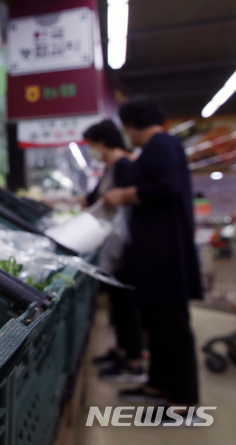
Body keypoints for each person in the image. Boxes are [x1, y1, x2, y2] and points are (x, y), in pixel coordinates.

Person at [103, 96, 202, 411]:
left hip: (166, 257)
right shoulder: (161, 146)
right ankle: (159, 386)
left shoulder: (161, 144)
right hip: (156, 257)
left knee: (172, 329)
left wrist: (125, 194)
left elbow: (167, 185)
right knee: (158, 328)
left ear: (132, 124)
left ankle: (182, 402)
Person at [81, 120, 146, 383]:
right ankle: (122, 351)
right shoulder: (111, 168)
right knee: (118, 305)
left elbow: (124, 204)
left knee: (127, 305)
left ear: (102, 142)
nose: (92, 151)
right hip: (113, 246)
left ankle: (133, 361)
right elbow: (93, 199)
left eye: (92, 146)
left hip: (125, 247)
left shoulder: (125, 166)